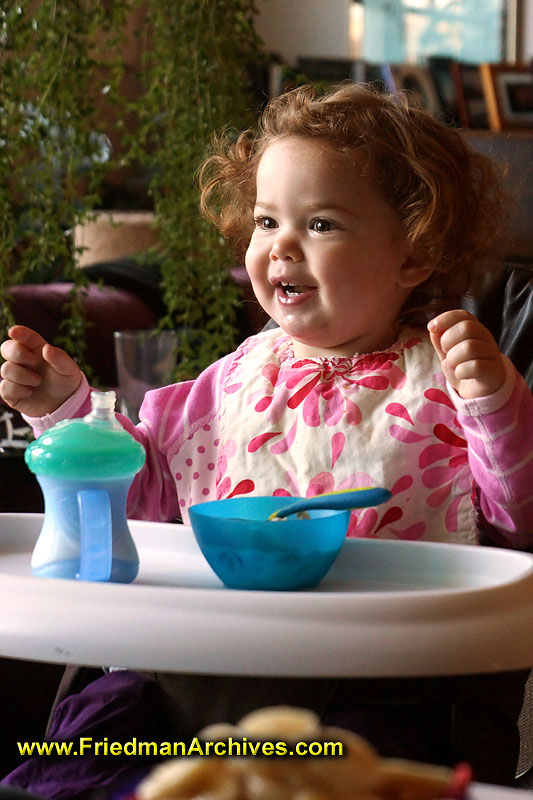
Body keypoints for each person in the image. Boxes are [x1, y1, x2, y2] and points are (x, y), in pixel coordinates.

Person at [1, 84, 532, 793]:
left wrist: (496, 402)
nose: (279, 245)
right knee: (95, 733)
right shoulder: (232, 379)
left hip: (374, 679)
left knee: (353, 772)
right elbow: (142, 496)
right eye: (265, 221)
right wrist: (65, 411)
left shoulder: (445, 383)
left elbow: (515, 515)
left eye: (319, 225)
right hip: (193, 666)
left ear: (412, 255)